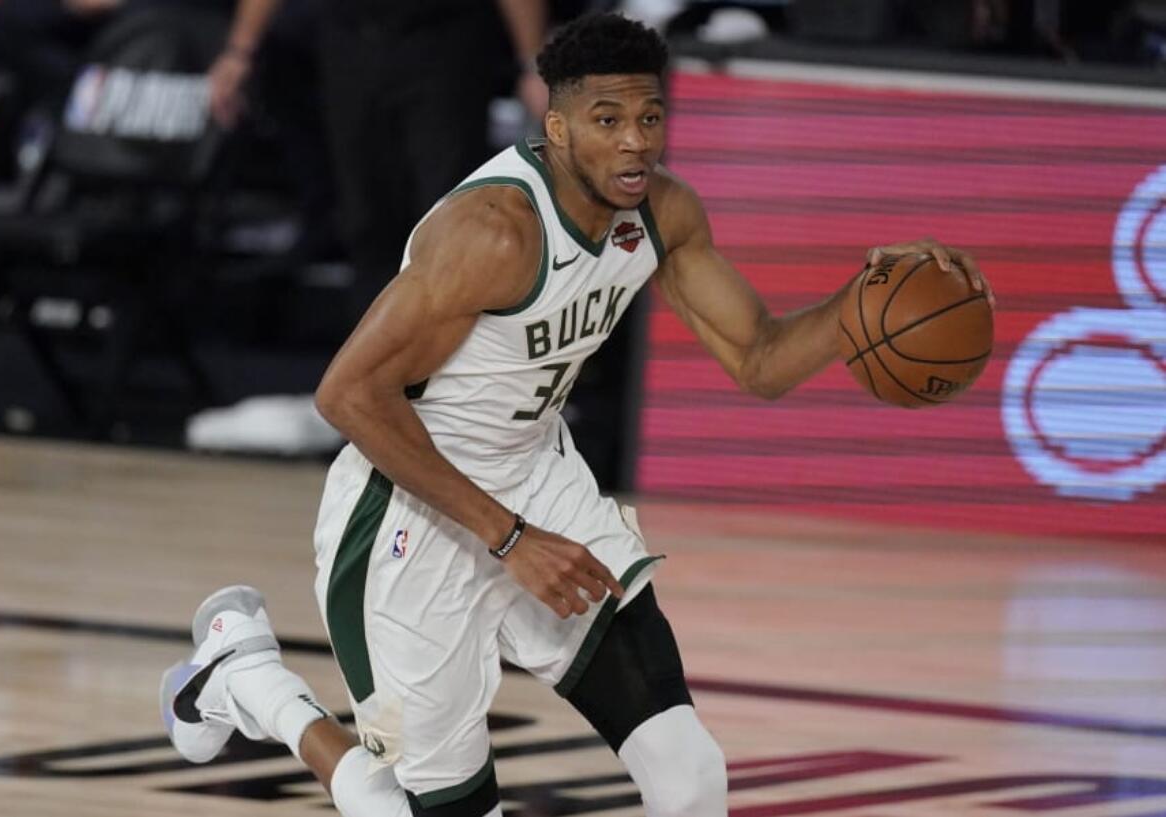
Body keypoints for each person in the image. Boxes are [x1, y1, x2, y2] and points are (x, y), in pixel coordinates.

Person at [160, 12, 995, 817]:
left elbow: (762, 360)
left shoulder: (663, 212)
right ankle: (245, 677)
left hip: (536, 474)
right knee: (401, 803)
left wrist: (863, 303)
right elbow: (348, 396)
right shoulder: (493, 233)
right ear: (556, 128)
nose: (635, 139)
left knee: (690, 777)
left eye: (649, 115)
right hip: (408, 513)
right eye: (607, 118)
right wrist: (511, 540)